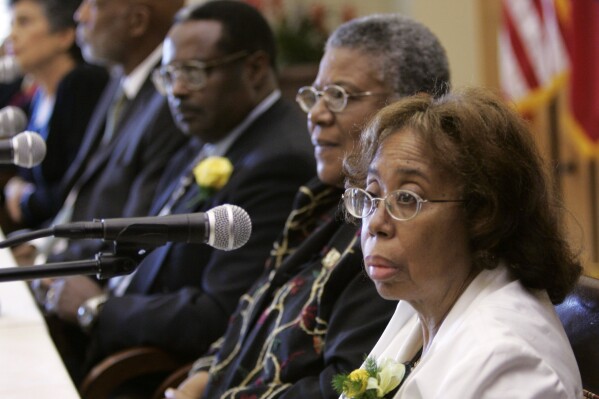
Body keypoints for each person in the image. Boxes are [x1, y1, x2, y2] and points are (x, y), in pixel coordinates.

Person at [165, 12, 451, 399]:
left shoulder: (399, 235)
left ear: (411, 108)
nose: (316, 114)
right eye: (314, 96)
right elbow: (256, 313)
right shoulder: (323, 201)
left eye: (339, 96)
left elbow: (343, 387)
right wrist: (203, 378)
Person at [44, 0, 316, 387]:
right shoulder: (207, 135)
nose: (178, 91)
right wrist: (60, 268)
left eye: (193, 72)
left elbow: (219, 312)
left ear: (254, 69)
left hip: (149, 373)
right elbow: (142, 235)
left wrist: (97, 309)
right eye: (169, 74)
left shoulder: (278, 162)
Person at [339, 87, 583, 398]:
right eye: (372, 195)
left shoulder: (509, 361)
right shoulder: (421, 304)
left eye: (406, 198)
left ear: (481, 213)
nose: (375, 224)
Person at [30, 0, 187, 384]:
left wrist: (53, 262)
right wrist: (41, 247)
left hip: (97, 292)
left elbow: (130, 227)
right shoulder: (120, 79)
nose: (80, 15)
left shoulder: (169, 100)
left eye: (94, 5)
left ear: (136, 21)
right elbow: (82, 190)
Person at [3, 0, 108, 228]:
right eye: (11, 24)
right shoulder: (38, 95)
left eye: (24, 22)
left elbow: (74, 192)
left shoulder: (81, 85)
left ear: (64, 35)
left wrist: (23, 198)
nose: (12, 35)